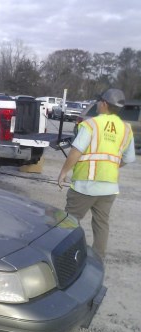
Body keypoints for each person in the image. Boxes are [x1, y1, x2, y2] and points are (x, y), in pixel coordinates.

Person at [57, 88, 136, 260]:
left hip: (85, 186)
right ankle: (98, 259)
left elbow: (76, 152)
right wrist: (112, 165)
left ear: (104, 104)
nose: (98, 104)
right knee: (101, 225)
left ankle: (65, 257)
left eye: (99, 101)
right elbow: (129, 158)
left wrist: (63, 172)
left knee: (70, 221)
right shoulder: (126, 129)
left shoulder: (91, 124)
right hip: (109, 188)